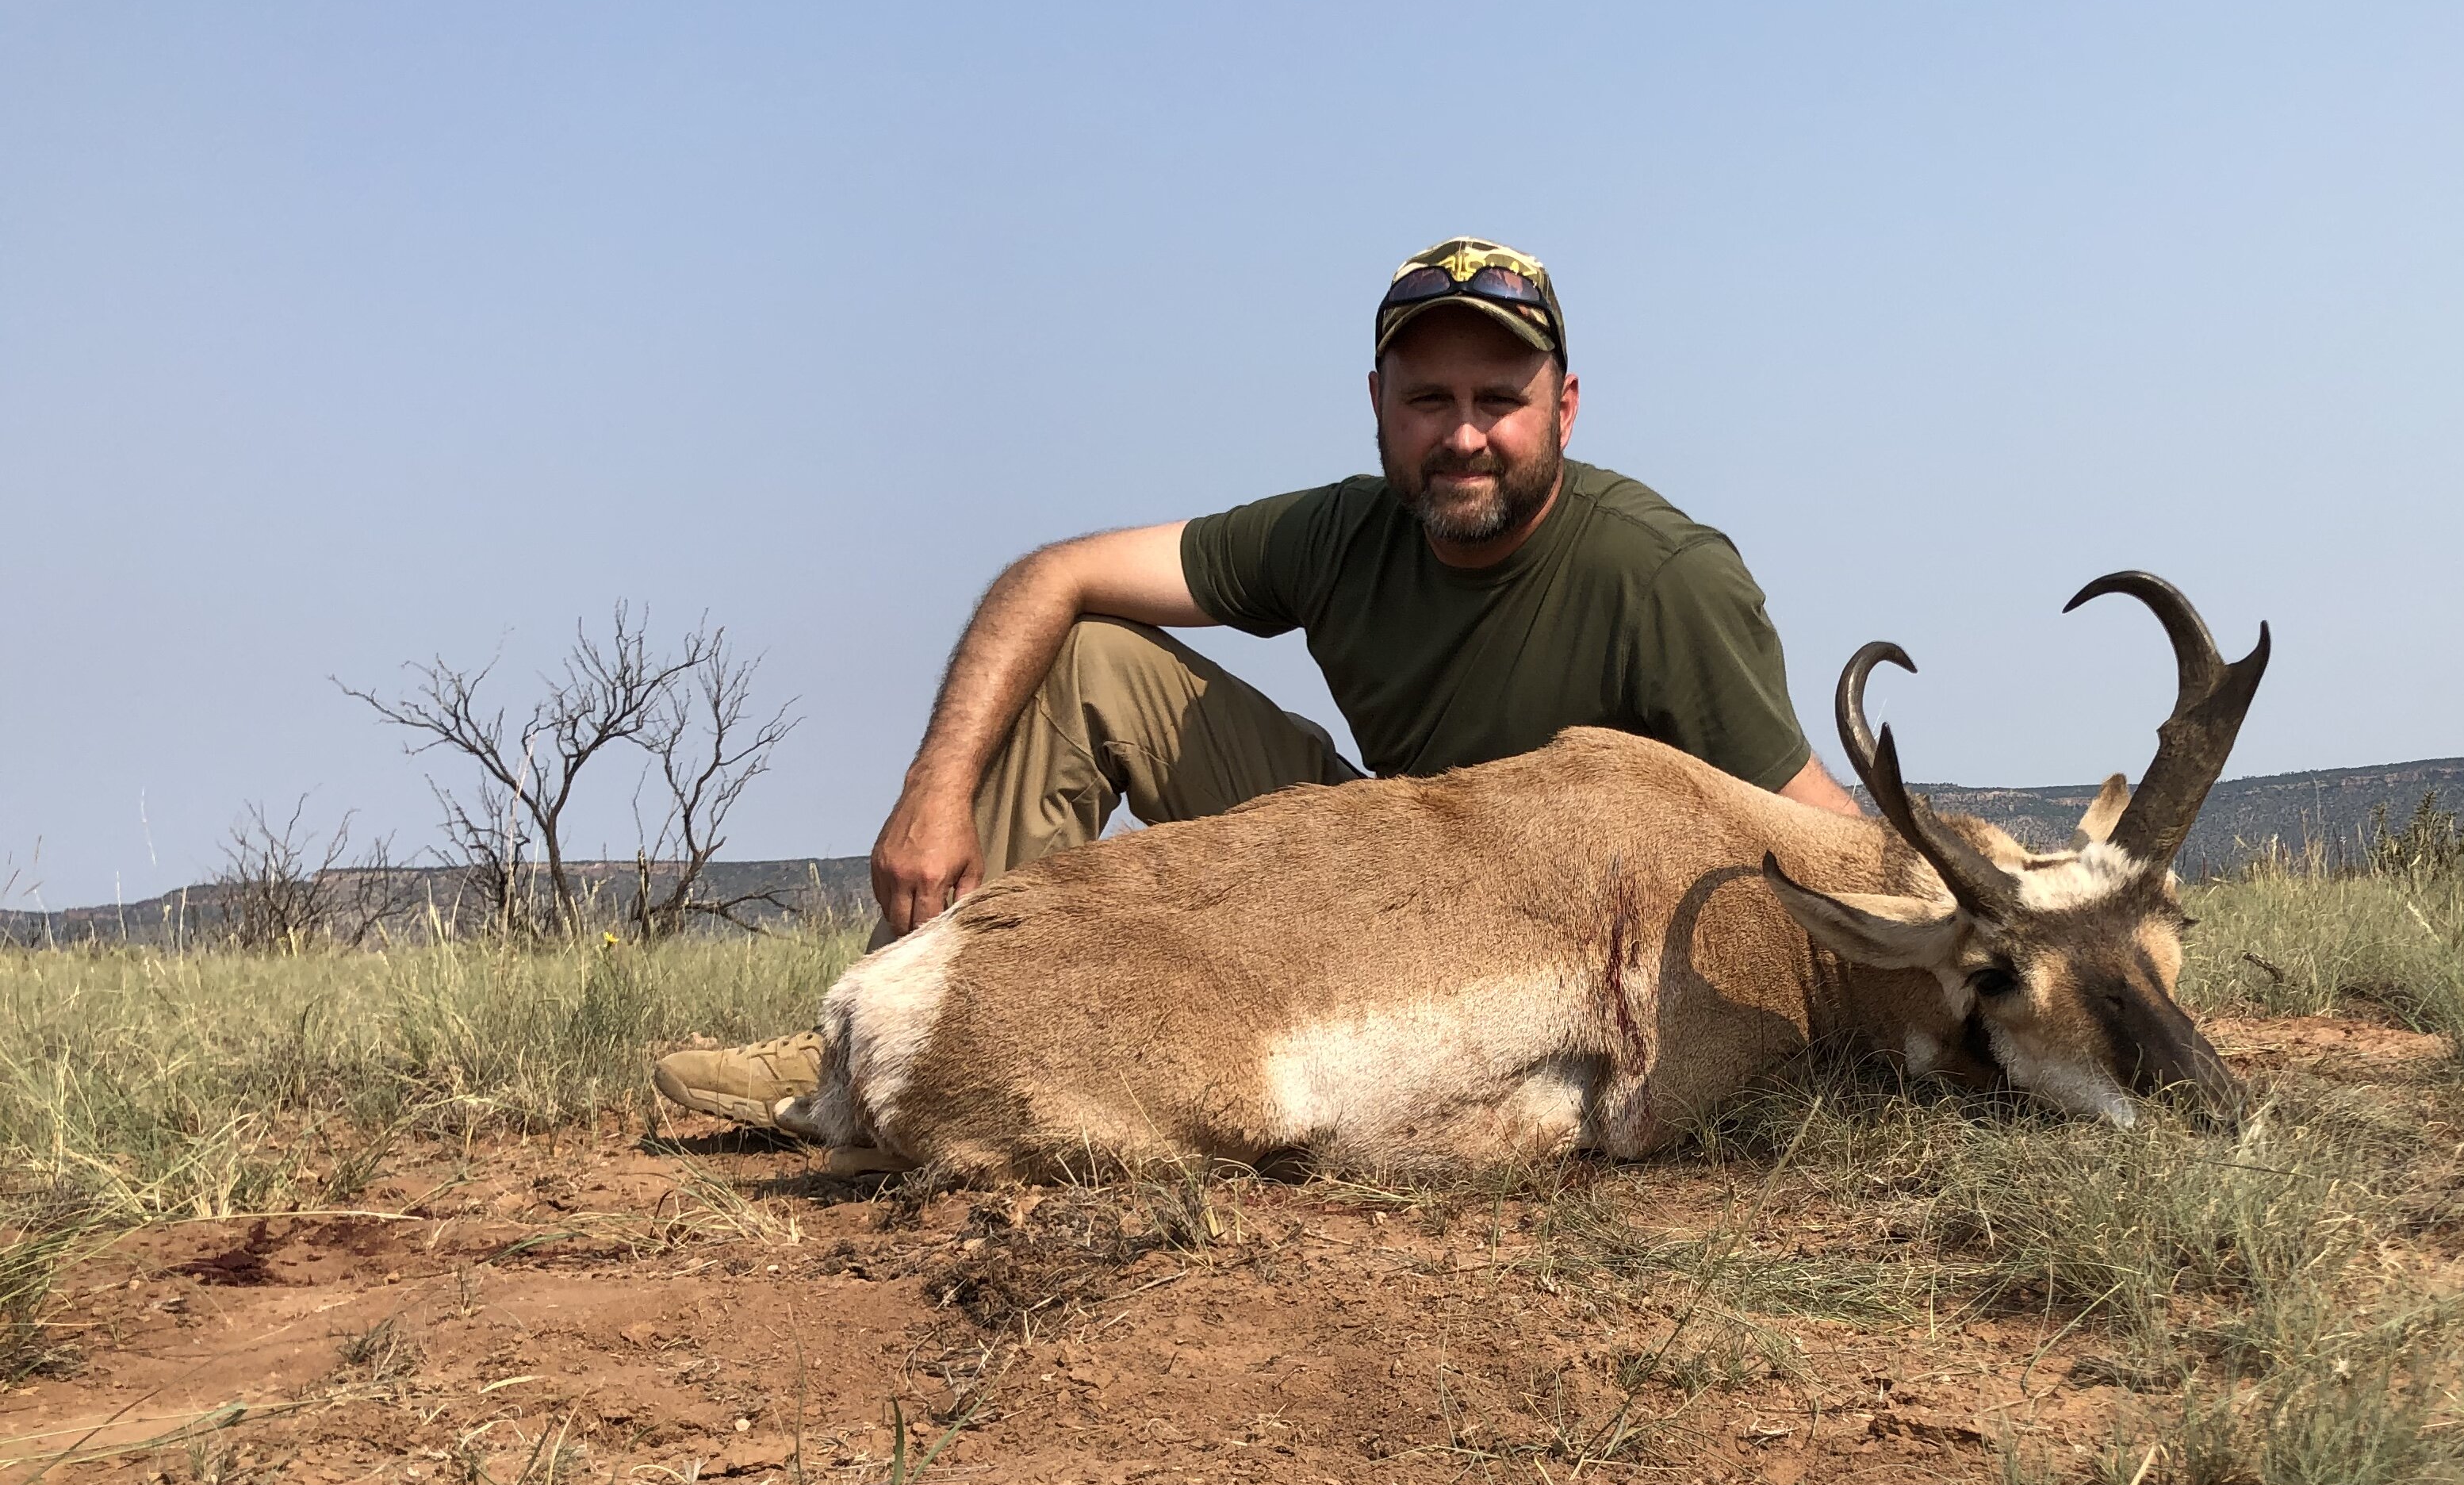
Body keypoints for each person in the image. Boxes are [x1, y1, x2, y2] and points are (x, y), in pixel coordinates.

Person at [654, 235, 1858, 1130]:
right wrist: (937, 783)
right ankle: (879, 1036)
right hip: (1378, 864)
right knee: (1087, 657)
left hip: (1551, 940)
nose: (1465, 435)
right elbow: (1055, 573)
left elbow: (1807, 826)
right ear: (1378, 408)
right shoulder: (1337, 534)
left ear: (1568, 410)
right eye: (1430, 399)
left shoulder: (1664, 579)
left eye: (1502, 401)